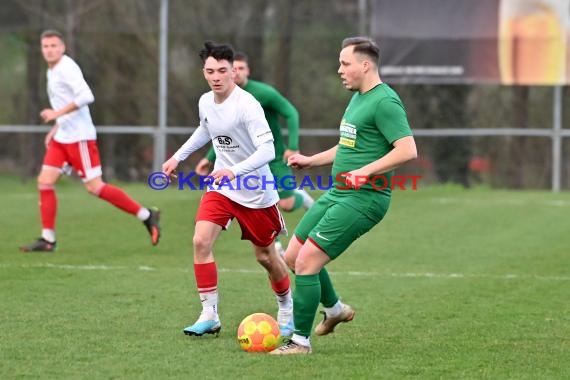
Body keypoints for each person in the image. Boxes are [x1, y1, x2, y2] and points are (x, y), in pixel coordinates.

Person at [270, 36, 418, 355]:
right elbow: (348, 145)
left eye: (345, 63)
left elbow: (407, 150)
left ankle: (299, 342)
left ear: (365, 66)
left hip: (365, 198)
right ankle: (335, 310)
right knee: (293, 257)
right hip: (338, 192)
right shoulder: (358, 98)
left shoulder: (385, 101)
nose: (340, 70)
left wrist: (366, 172)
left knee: (308, 262)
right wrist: (312, 160)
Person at [161, 42, 294, 337]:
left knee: (265, 257)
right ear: (204, 72)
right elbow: (205, 129)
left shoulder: (248, 105)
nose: (216, 76)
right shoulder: (206, 101)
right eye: (210, 71)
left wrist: (232, 171)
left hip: (255, 190)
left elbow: (268, 150)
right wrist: (177, 157)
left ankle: (286, 307)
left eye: (222, 70)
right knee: (200, 241)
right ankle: (209, 314)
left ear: (233, 71)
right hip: (222, 189)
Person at [19, 30, 161, 252]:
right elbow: (65, 102)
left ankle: (146, 215)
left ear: (63, 47)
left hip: (80, 138)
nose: (49, 50)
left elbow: (86, 96)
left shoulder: (67, 67)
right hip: (63, 136)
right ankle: (48, 239)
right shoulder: (52, 70)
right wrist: (56, 127)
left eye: (54, 45)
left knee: (95, 187)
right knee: (45, 182)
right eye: (45, 46)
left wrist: (56, 115)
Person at [194, 52, 314, 254]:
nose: (238, 72)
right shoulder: (221, 99)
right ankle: (274, 246)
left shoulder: (263, 93)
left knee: (287, 203)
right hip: (241, 164)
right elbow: (225, 136)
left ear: (246, 70)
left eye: (242, 68)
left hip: (273, 158)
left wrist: (292, 145)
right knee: (251, 204)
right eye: (235, 68)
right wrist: (209, 158)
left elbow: (291, 113)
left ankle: (301, 196)